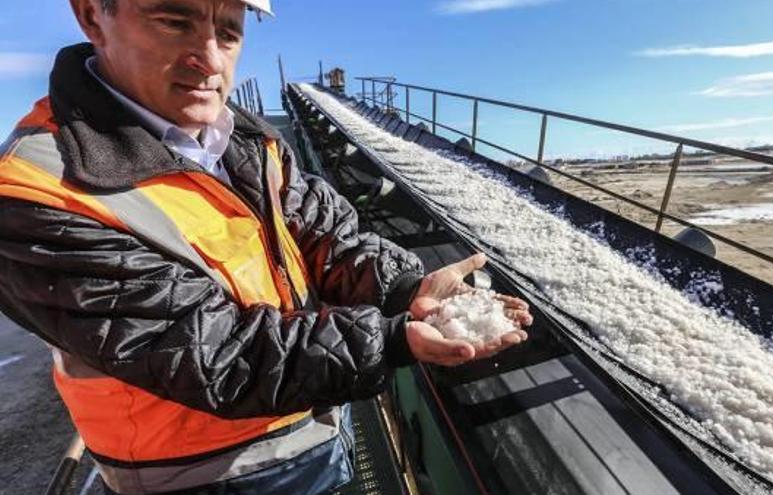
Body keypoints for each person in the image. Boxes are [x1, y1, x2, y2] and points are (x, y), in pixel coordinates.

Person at [0, 0, 532, 493]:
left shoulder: (245, 139)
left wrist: (404, 286)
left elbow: (327, 236)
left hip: (316, 424)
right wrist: (393, 338)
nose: (209, 58)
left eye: (228, 32)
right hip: (207, 475)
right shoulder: (39, 188)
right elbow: (209, 350)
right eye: (174, 21)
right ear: (93, 15)